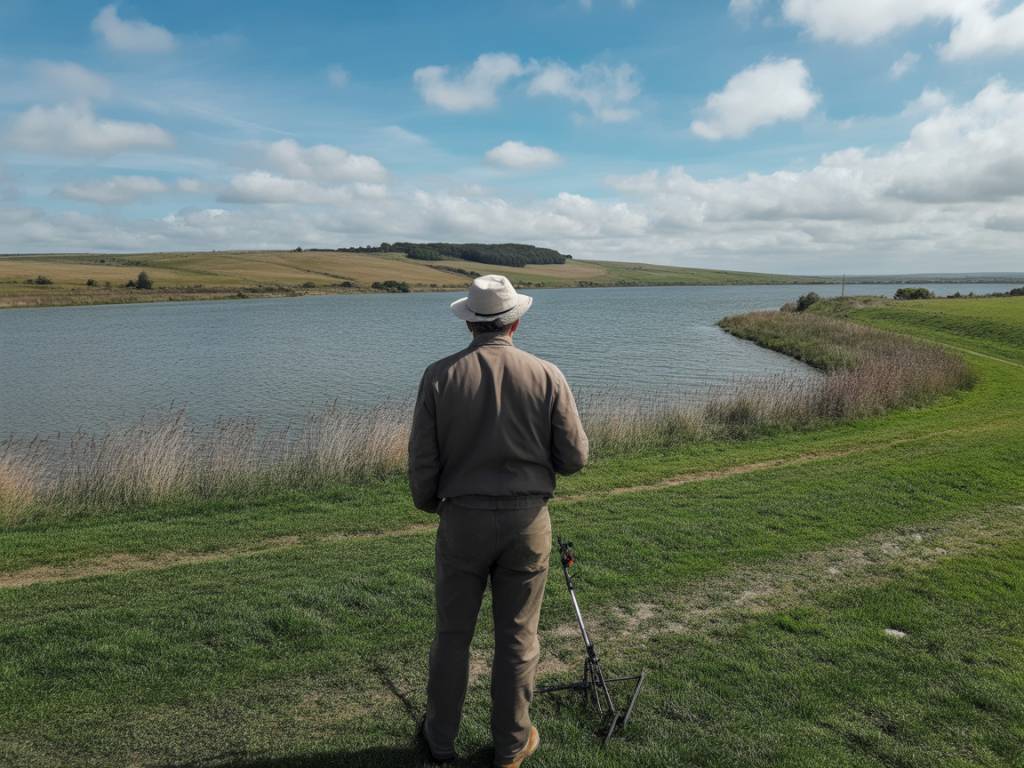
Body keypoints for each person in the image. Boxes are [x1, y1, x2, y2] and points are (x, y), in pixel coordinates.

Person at [409, 274, 589, 767]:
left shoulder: (439, 375)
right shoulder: (547, 373)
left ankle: (440, 741)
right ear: (516, 319)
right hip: (527, 521)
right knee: (518, 637)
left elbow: (423, 462)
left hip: (461, 518)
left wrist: (431, 503)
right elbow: (575, 457)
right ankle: (512, 746)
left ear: (470, 322)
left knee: (452, 635)